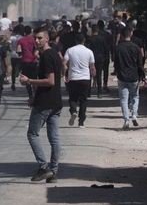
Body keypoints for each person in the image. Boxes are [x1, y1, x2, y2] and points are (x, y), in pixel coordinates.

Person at [19, 28, 63, 183]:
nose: (36, 41)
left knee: (32, 134)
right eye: (35, 39)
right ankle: (54, 172)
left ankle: (44, 167)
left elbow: (50, 81)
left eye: (39, 38)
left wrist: (29, 81)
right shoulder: (56, 55)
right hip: (55, 101)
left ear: (46, 39)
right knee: (54, 138)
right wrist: (33, 97)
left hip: (45, 102)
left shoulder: (46, 56)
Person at [114, 28, 147, 129]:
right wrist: (143, 77)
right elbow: (140, 64)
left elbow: (116, 64)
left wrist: (118, 73)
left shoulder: (118, 48)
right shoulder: (136, 48)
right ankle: (134, 115)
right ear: (131, 34)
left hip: (122, 77)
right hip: (134, 77)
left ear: (122, 36)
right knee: (135, 97)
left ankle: (126, 120)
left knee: (124, 100)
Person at [64, 36, 95, 128]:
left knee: (73, 98)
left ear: (76, 40)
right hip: (85, 79)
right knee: (83, 100)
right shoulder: (89, 51)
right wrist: (94, 77)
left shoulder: (70, 50)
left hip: (73, 78)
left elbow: (64, 63)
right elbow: (92, 67)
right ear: (84, 41)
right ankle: (81, 122)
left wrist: (64, 74)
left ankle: (73, 111)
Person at [86, 20, 113, 97]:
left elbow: (87, 49)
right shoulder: (103, 38)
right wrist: (105, 57)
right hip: (100, 58)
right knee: (99, 74)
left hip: (91, 59)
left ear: (92, 30)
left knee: (90, 75)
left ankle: (88, 92)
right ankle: (99, 92)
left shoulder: (89, 39)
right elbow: (106, 49)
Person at [16, 26, 37, 102]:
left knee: (27, 79)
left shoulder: (21, 40)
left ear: (24, 32)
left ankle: (30, 96)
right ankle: (35, 95)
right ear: (31, 31)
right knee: (34, 79)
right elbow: (36, 49)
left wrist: (21, 54)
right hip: (33, 61)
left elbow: (18, 51)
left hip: (25, 61)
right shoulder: (34, 40)